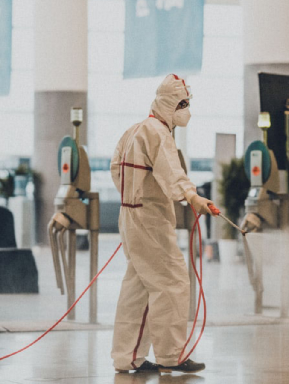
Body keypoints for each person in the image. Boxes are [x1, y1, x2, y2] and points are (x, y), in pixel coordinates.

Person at [110, 74, 216, 374]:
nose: (186, 110)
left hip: (130, 216)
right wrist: (193, 198)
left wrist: (131, 195)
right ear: (170, 105)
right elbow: (173, 172)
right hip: (150, 220)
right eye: (182, 104)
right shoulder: (158, 132)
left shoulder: (134, 131)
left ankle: (126, 356)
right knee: (171, 282)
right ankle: (172, 355)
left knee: (139, 286)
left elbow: (115, 166)